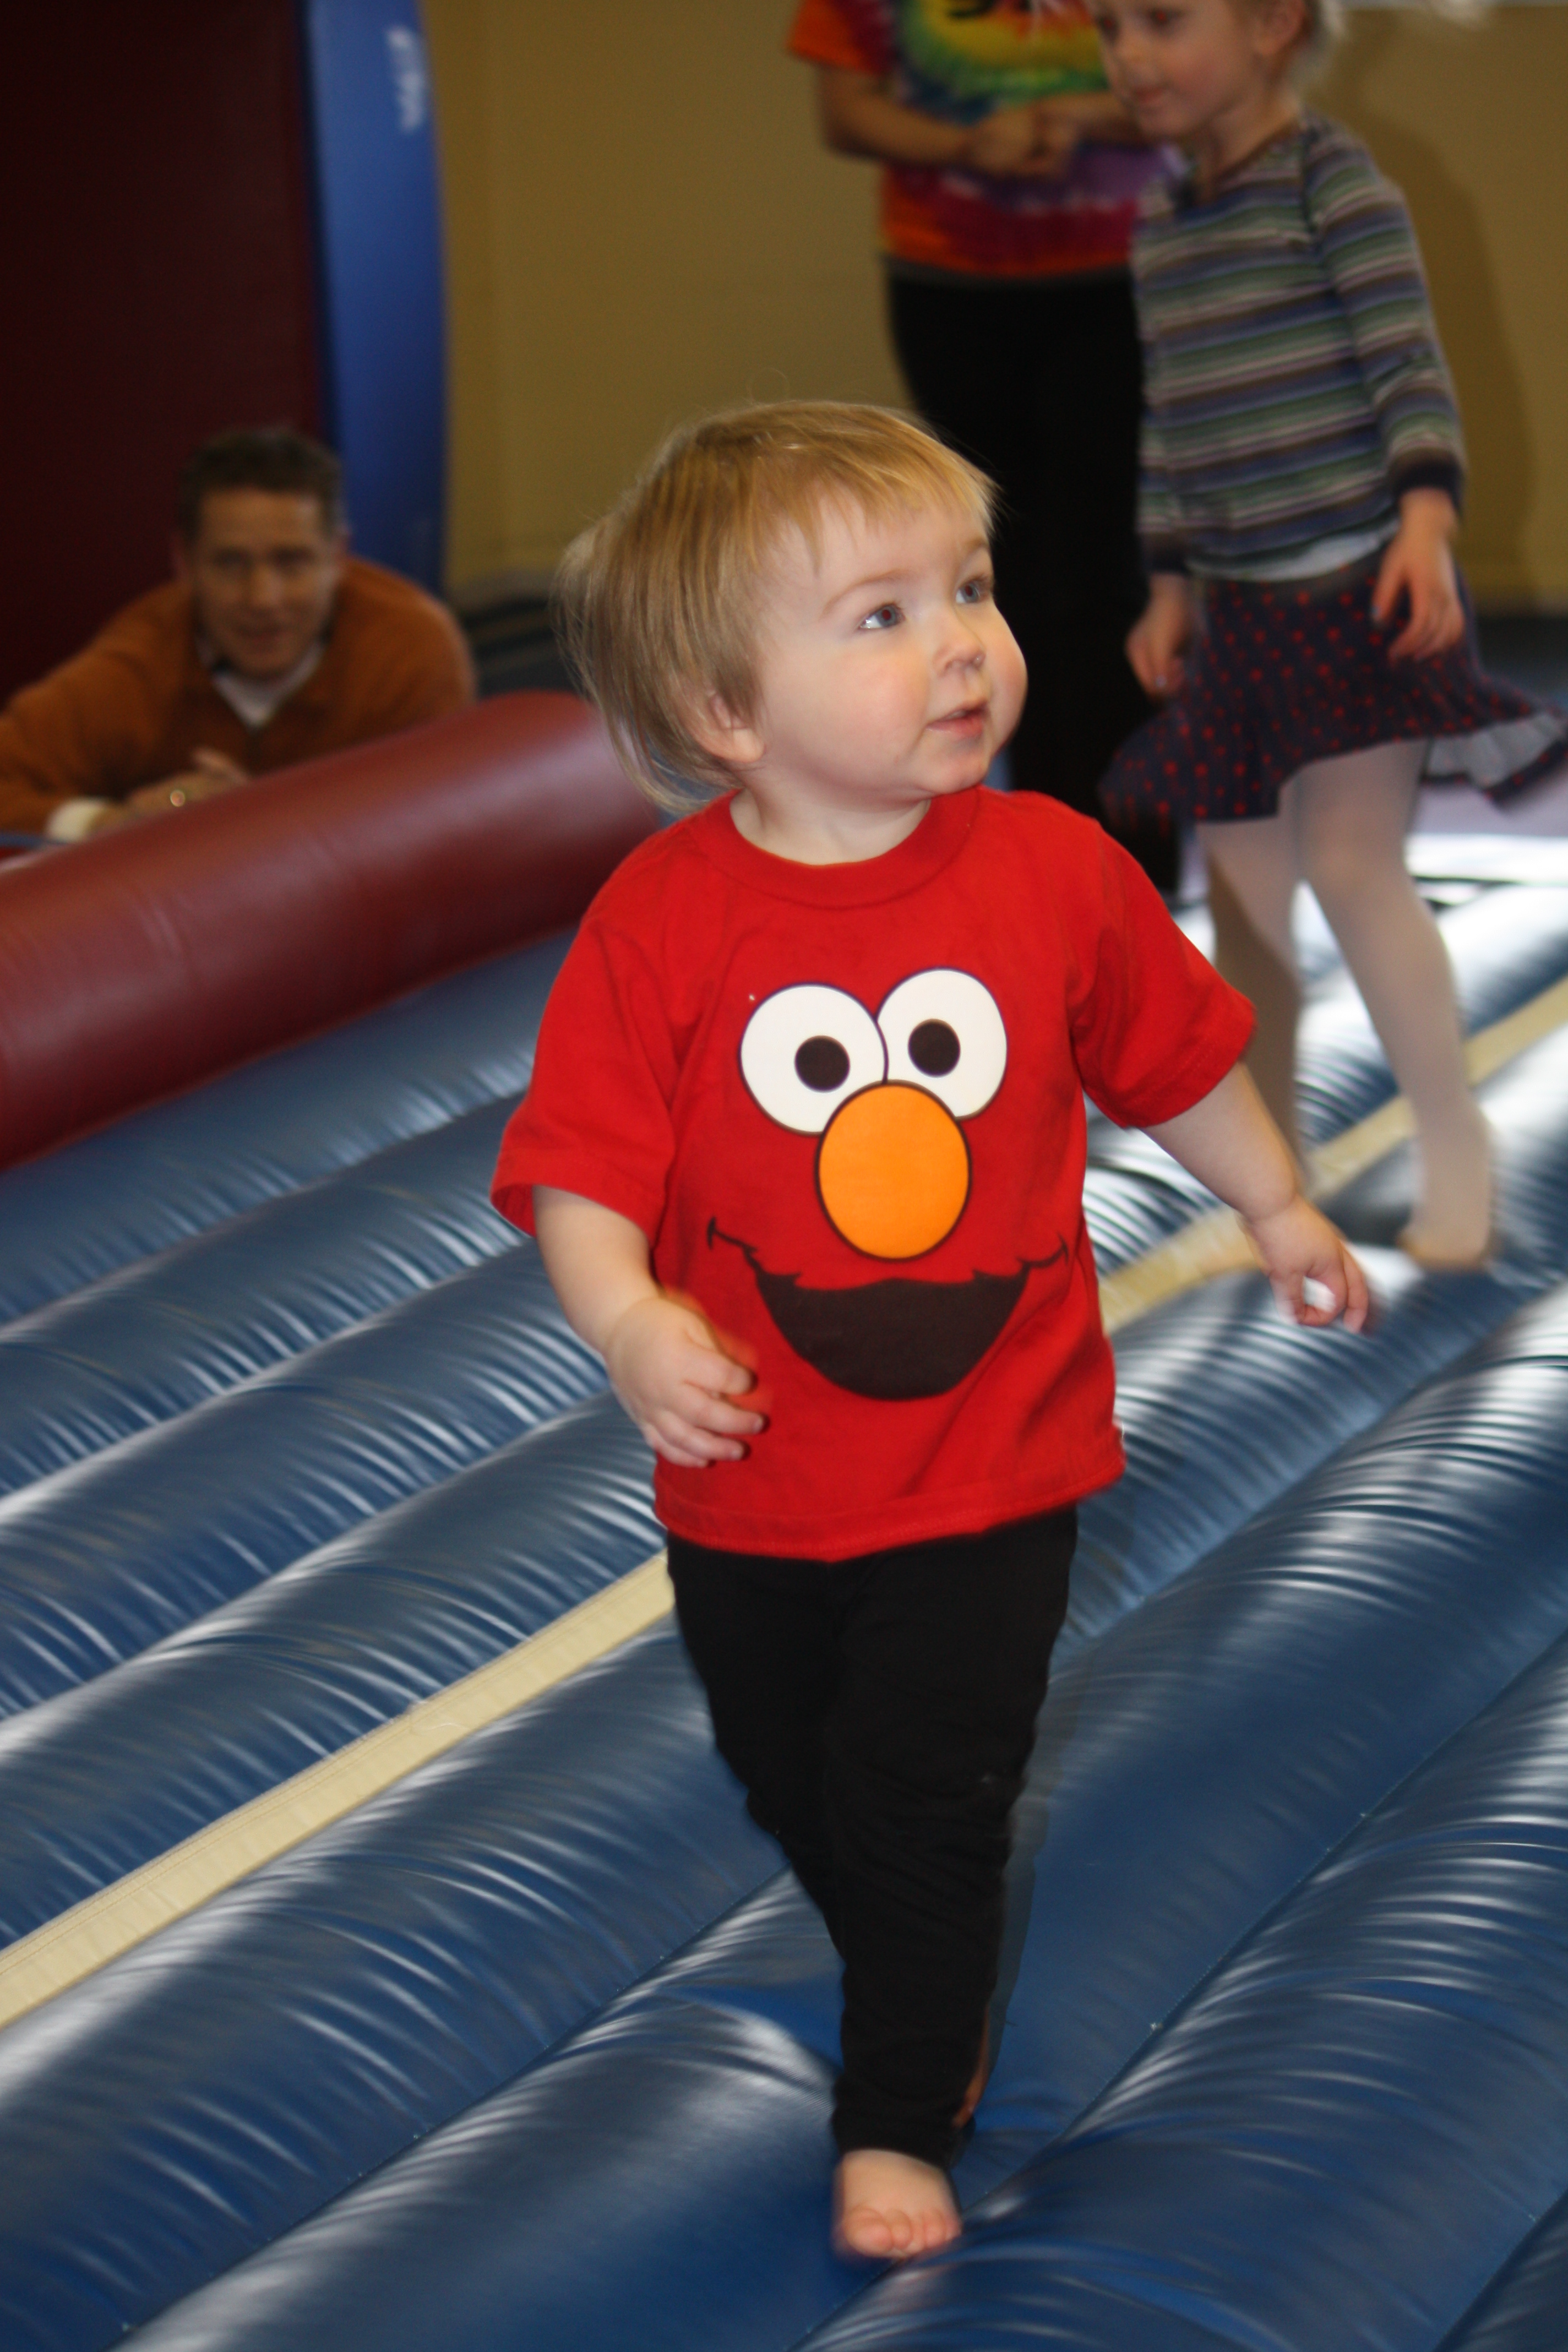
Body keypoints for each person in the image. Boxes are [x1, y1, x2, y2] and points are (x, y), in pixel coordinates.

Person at [489, 402, 1367, 2261]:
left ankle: (897, 2108)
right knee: (786, 1768)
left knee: (923, 1790)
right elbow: (578, 1171)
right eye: (881, 616)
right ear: (728, 712)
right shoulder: (662, 921)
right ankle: (916, 1942)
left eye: (967, 588)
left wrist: (1277, 1203)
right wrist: (628, 1322)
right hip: (753, 1480)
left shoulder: (1050, 869)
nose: (963, 641)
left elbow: (1174, 1061)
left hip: (992, 1463)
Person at [1092, 0, 1567, 1262]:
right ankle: (1272, 1174)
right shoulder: (1160, 221)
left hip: (1353, 590)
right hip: (1235, 612)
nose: (1126, 55)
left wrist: (1423, 519)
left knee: (1354, 870)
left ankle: (1452, 1145)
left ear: (1268, 24)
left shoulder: (1330, 187)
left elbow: (1404, 366)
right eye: (1106, 25)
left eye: (1159, 20)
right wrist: (1167, 581)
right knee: (1242, 906)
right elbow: (1170, 418)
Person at [787, 0, 1179, 888]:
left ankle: (1136, 870)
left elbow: (1205, 75)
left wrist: (1072, 116)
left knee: (1103, 577)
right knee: (998, 576)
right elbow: (845, 111)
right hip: (948, 281)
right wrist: (970, 145)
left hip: (1120, 274)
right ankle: (1040, 854)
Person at [0, 427, 475, 843]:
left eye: (291, 562)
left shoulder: (411, 651)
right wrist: (113, 823)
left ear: (337, 558)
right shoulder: (135, 668)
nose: (263, 599)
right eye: (231, 564)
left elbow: (447, 815)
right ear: (184, 563)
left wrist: (256, 819)